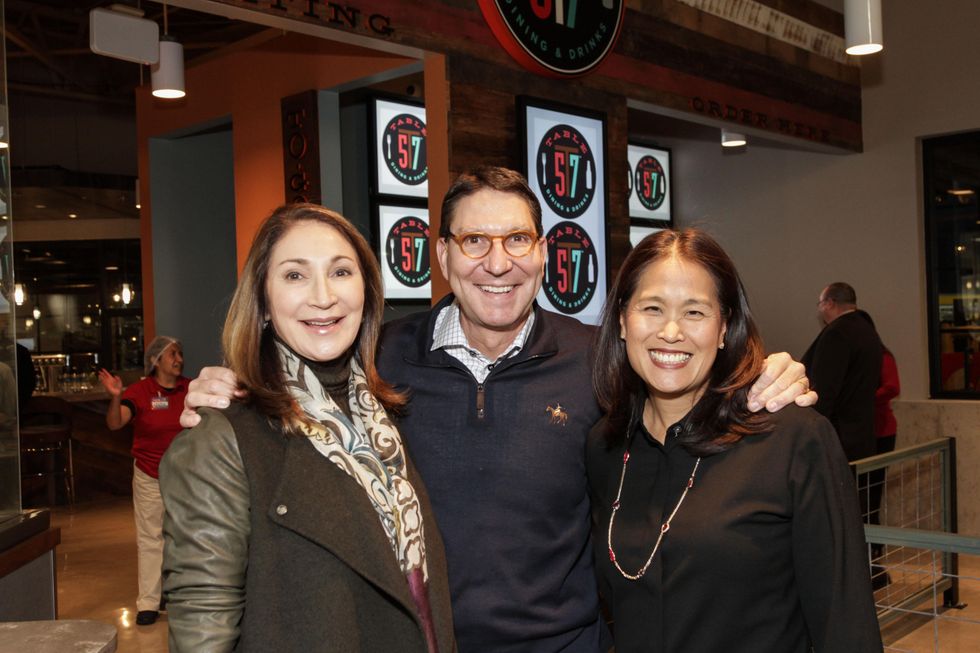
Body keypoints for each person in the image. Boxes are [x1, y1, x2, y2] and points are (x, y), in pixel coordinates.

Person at [181, 167, 816, 653]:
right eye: (474, 240)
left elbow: (685, 391)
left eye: (516, 238)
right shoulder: (381, 358)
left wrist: (761, 375)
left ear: (543, 252)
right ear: (442, 255)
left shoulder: (597, 361)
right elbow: (295, 373)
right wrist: (227, 386)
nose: (497, 262)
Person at [158, 204, 454, 652]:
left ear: (367, 292)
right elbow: (203, 618)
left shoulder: (385, 417)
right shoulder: (222, 437)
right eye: (295, 275)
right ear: (262, 301)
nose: (323, 296)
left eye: (340, 272)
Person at [587, 229, 882, 652]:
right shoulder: (605, 447)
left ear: (725, 328)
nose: (671, 332)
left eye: (695, 312)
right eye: (651, 308)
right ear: (622, 320)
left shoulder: (793, 441)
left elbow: (845, 622)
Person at [97, 335, 188, 626]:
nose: (179, 360)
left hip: (186, 478)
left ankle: (179, 596)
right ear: (156, 361)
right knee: (151, 539)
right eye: (172, 354)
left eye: (180, 354)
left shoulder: (191, 389)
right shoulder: (140, 391)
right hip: (150, 474)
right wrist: (114, 396)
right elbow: (115, 423)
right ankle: (149, 602)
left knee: (184, 537)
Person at [802, 282, 883, 462]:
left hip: (840, 436)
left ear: (830, 303)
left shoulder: (836, 333)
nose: (820, 310)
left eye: (820, 304)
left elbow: (824, 391)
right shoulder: (868, 330)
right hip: (863, 432)